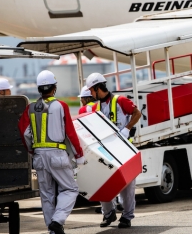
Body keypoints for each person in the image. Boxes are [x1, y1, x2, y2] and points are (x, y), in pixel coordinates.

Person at [18, 70, 86, 234]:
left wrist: (32, 151)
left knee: (47, 195)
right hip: (57, 154)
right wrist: (79, 155)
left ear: (39, 89)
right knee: (70, 189)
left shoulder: (30, 108)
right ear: (54, 87)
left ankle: (53, 230)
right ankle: (58, 220)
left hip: (39, 156)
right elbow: (70, 133)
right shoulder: (61, 106)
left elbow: (25, 133)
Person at [86, 72, 141, 228]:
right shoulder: (95, 107)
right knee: (102, 182)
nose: (90, 93)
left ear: (98, 88)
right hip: (106, 151)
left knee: (128, 184)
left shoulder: (120, 101)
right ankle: (108, 213)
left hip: (123, 148)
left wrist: (127, 128)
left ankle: (127, 216)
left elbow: (137, 113)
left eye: (91, 90)